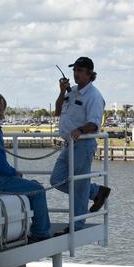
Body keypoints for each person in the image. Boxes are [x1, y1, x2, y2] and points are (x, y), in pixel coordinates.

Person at [0, 92, 52, 242]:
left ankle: (33, 228)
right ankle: (41, 233)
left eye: (0, 110)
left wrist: (12, 173)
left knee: (34, 185)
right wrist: (14, 173)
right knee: (38, 191)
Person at [51, 56, 110, 227]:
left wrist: (80, 130)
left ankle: (77, 225)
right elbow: (57, 111)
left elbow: (94, 123)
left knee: (79, 184)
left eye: (80, 70)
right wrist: (62, 92)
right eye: (74, 70)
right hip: (69, 144)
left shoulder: (94, 96)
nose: (76, 74)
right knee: (57, 179)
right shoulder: (72, 91)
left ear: (89, 74)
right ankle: (96, 191)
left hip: (83, 145)